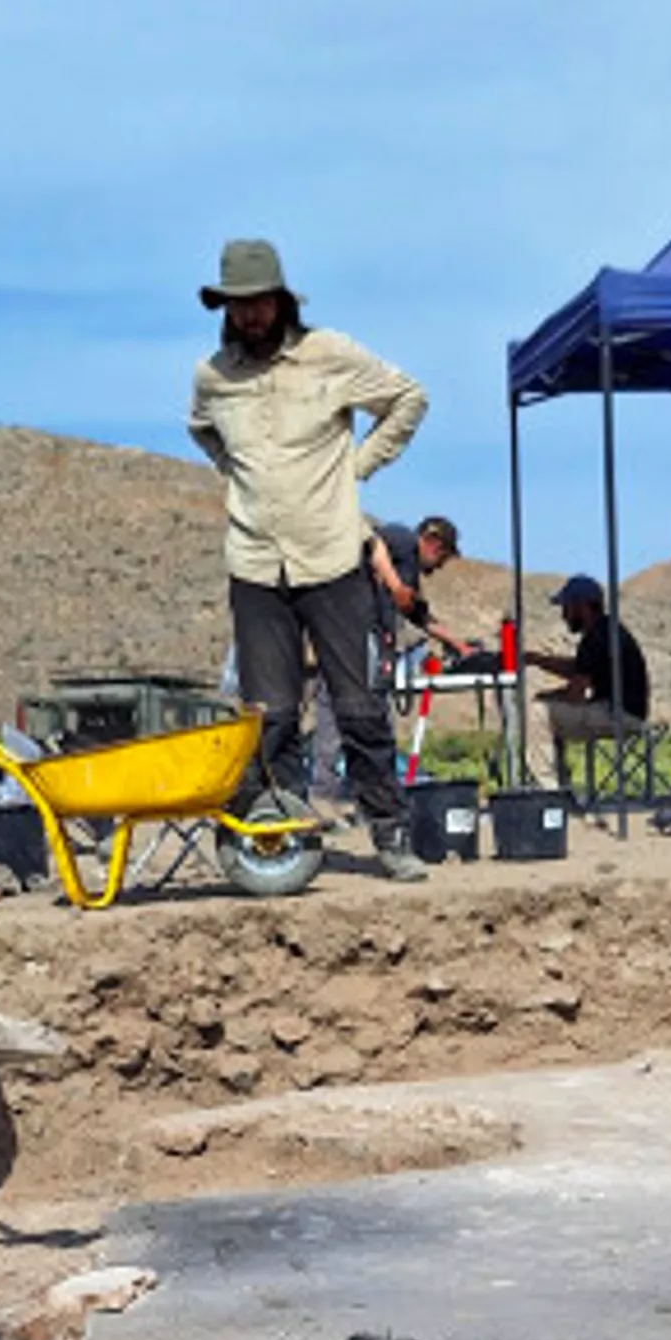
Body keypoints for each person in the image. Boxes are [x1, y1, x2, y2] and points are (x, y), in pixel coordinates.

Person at [188, 236, 430, 883]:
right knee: (268, 714)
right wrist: (235, 474)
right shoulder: (214, 376)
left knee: (356, 703)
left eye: (260, 304)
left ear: (281, 300)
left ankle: (391, 835)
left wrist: (355, 469)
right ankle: (280, 840)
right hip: (256, 565)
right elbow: (201, 427)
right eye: (238, 307)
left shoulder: (331, 354)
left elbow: (409, 399)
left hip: (329, 558)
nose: (250, 318)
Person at [523, 573, 651, 786]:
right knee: (550, 711)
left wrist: (550, 697)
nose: (564, 615)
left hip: (617, 715)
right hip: (628, 712)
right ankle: (559, 782)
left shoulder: (595, 638)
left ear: (581, 606)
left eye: (566, 608)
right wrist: (538, 660)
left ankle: (548, 788)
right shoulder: (607, 630)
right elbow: (580, 668)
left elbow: (576, 693)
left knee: (538, 713)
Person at [368, 513, 469, 678]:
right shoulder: (403, 541)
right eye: (442, 557)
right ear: (434, 545)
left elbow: (417, 614)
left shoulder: (408, 568)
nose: (439, 566)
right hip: (358, 630)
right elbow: (372, 543)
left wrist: (457, 644)